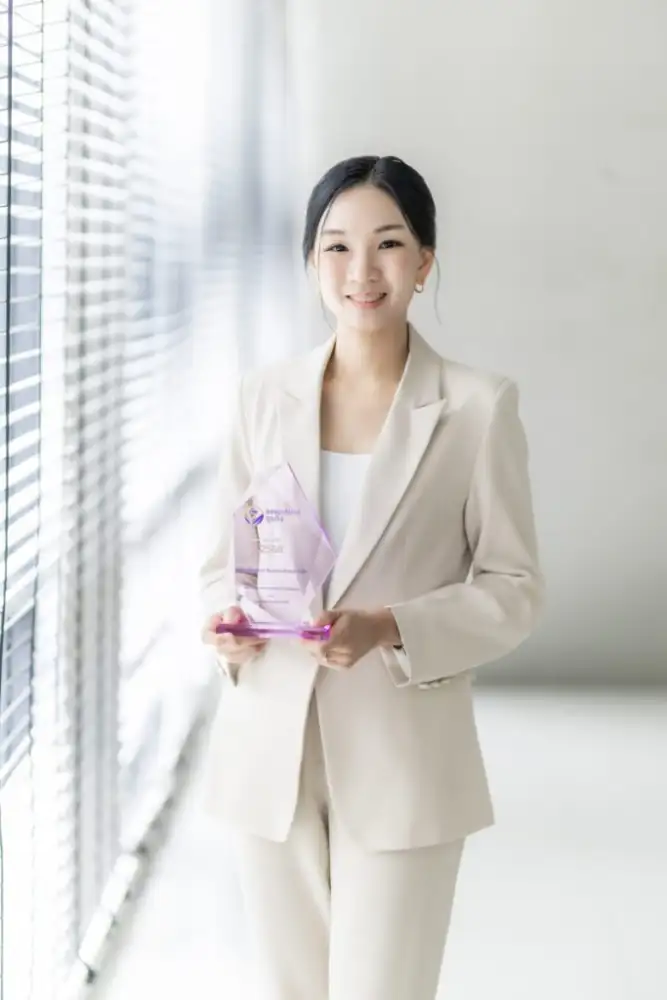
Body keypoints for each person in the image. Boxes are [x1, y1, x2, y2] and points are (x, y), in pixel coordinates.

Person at [199, 155, 544, 1000]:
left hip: (401, 761)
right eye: (336, 246)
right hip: (270, 755)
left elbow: (513, 587)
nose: (361, 269)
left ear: (424, 261)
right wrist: (227, 624)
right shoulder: (261, 397)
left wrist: (390, 626)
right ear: (310, 262)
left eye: (387, 244)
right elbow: (220, 565)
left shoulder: (476, 406)